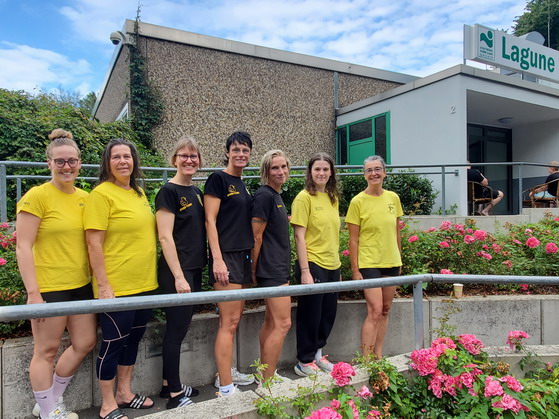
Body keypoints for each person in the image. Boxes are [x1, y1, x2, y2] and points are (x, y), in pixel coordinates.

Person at [16, 129, 96, 419]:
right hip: (49, 287)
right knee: (46, 350)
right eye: (60, 161)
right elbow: (23, 246)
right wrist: (33, 293)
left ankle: (49, 401)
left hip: (81, 284)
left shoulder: (86, 198)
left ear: (80, 163)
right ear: (48, 163)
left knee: (85, 343)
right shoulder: (37, 196)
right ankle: (51, 413)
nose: (67, 167)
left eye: (72, 161)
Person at [84, 139, 158, 419]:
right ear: (107, 163)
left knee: (134, 340)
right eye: (116, 157)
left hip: (145, 284)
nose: (123, 161)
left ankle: (124, 393)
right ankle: (106, 405)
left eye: (127, 156)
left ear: (134, 161)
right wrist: (103, 284)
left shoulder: (138, 193)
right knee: (114, 343)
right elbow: (93, 244)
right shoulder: (101, 195)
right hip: (117, 287)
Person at [155, 136, 205, 409]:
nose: (189, 160)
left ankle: (167, 384)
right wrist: (178, 276)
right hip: (178, 272)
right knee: (175, 331)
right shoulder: (168, 192)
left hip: (194, 269)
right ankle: (175, 396)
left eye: (194, 156)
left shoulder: (196, 192)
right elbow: (165, 237)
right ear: (174, 159)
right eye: (184, 156)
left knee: (181, 328)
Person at [204, 131, 255, 396]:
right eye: (236, 149)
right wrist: (218, 260)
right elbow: (210, 221)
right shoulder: (218, 179)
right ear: (227, 152)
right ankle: (225, 385)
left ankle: (226, 371)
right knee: (228, 321)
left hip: (243, 256)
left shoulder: (242, 183)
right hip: (226, 257)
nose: (241, 154)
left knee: (234, 320)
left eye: (245, 150)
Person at [345, 155, 403, 358]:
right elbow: (353, 240)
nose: (374, 173)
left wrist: (399, 259)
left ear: (384, 172)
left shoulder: (393, 198)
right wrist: (355, 270)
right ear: (364, 175)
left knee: (386, 310)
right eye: (369, 170)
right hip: (369, 263)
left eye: (377, 169)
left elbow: (396, 232)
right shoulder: (357, 201)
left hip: (391, 262)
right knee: (375, 310)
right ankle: (367, 359)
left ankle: (379, 356)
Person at [291, 152, 341, 377]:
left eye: (325, 169)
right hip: (313, 263)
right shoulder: (304, 198)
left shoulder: (332, 197)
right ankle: (304, 361)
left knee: (327, 314)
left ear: (331, 173)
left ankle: (318, 355)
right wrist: (305, 271)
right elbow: (299, 236)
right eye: (317, 169)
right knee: (310, 315)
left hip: (333, 264)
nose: (321, 173)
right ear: (310, 172)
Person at [251, 150, 292, 383]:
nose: (280, 171)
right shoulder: (264, 196)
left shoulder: (276, 195)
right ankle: (267, 380)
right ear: (266, 171)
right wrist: (254, 270)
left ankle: (265, 373)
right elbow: (256, 237)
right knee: (283, 323)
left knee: (271, 321)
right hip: (271, 270)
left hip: (277, 268)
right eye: (275, 168)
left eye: (283, 167)